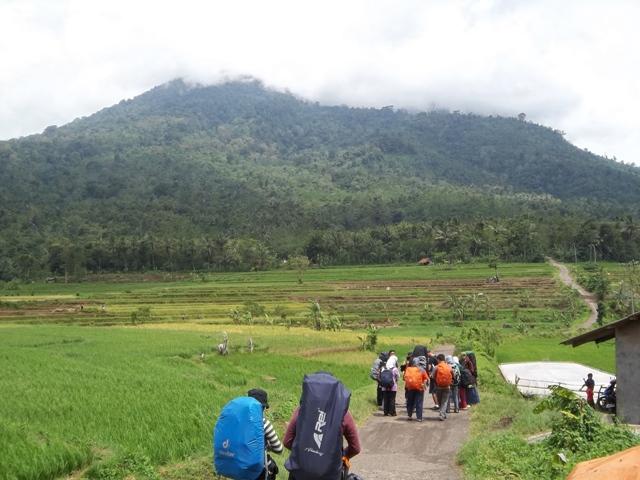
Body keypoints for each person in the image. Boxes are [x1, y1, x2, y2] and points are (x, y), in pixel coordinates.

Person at [283, 376, 361, 479]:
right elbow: (355, 448)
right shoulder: (343, 414)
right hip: (331, 473)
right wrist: (338, 455)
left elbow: (287, 441)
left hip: (300, 472)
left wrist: (303, 451)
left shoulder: (301, 410)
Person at [248, 388, 283, 480]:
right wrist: (267, 446)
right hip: (258, 469)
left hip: (241, 465)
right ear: (262, 408)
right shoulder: (264, 423)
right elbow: (279, 449)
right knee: (272, 467)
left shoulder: (240, 421)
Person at [404, 357, 429, 422]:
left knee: (410, 402)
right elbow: (426, 378)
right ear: (418, 362)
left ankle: (409, 416)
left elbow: (405, 378)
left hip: (410, 388)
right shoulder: (421, 369)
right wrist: (425, 384)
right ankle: (419, 418)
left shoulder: (408, 369)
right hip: (420, 388)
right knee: (419, 402)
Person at [432, 353, 453, 421]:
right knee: (444, 401)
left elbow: (432, 376)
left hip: (439, 386)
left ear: (438, 359)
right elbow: (453, 375)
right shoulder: (449, 366)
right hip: (447, 386)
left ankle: (441, 414)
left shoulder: (436, 367)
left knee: (440, 401)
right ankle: (443, 414)